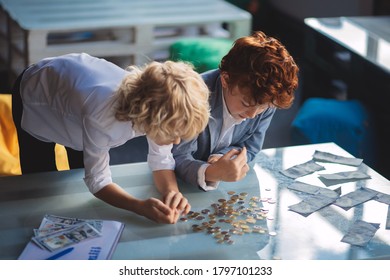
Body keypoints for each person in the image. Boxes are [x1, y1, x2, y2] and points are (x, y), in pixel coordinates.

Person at [12, 53, 210, 223]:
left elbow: (161, 158)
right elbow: (97, 180)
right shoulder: (102, 116)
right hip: (36, 93)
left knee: (77, 172)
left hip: (73, 94)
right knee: (40, 180)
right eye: (173, 134)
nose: (176, 142)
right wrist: (138, 206)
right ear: (149, 117)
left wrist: (172, 192)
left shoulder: (155, 102)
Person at [172, 31, 299, 191]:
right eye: (246, 103)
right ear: (225, 79)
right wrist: (213, 172)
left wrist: (222, 158)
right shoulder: (191, 97)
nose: (253, 115)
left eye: (263, 108)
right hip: (180, 186)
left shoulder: (266, 100)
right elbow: (176, 156)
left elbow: (251, 147)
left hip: (226, 186)